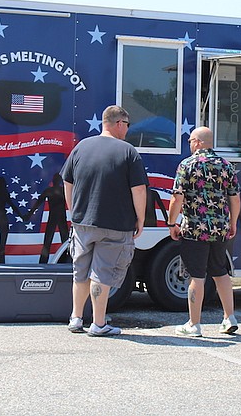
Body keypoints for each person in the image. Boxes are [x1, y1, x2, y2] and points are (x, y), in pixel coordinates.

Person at [61, 105, 147, 337]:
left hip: (82, 222)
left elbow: (67, 182)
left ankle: (76, 318)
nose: (127, 131)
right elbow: (138, 190)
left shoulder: (81, 147)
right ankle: (98, 324)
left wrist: (73, 209)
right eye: (127, 125)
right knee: (102, 273)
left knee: (80, 271)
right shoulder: (128, 152)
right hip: (115, 224)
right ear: (119, 123)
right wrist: (140, 218)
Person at [167, 126, 241, 337]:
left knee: (196, 276)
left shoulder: (187, 165)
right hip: (220, 228)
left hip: (194, 229)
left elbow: (177, 197)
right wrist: (232, 222)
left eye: (191, 140)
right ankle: (229, 318)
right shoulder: (226, 165)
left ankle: (194, 323)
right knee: (220, 272)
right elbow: (235, 198)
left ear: (198, 142)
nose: (189, 144)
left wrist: (172, 223)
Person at [26, 173, 68, 264]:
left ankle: (64, 262)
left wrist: (29, 215)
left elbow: (37, 204)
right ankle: (44, 262)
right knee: (56, 241)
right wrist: (29, 215)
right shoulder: (61, 190)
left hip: (56, 217)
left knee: (57, 241)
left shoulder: (52, 191)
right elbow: (37, 204)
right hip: (57, 217)